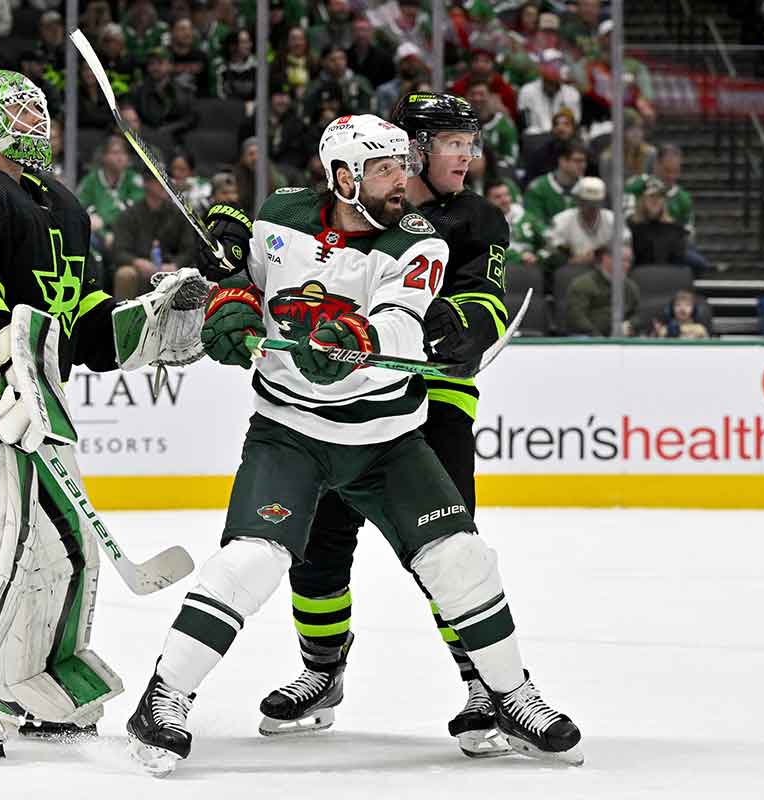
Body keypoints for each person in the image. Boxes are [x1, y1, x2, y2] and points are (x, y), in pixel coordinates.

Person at [128, 113, 581, 776]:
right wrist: (230, 304)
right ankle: (164, 699)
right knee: (252, 561)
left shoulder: (418, 240)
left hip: (386, 439)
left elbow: (402, 324)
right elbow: (246, 283)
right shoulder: (281, 215)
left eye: (403, 163)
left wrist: (360, 343)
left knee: (461, 559)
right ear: (343, 177)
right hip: (290, 432)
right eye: (386, 169)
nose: (403, 181)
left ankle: (511, 695)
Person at [0, 67, 204, 757]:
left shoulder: (65, 208)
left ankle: (37, 680)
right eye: (23, 114)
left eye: (41, 112)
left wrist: (155, 326)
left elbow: (84, 328)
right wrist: (13, 370)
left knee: (56, 553)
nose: (42, 125)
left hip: (34, 402)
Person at [254, 93, 525, 759]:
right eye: (451, 140)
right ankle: (322, 670)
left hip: (433, 403)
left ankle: (486, 686)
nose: (466, 153)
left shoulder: (478, 219)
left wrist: (463, 321)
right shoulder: (354, 206)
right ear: (409, 146)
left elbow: (484, 297)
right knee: (316, 545)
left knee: (445, 550)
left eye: (470, 141)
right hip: (344, 400)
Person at [110, 175, 192, 299]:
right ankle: (124, 316)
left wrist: (175, 265)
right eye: (159, 181)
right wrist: (136, 262)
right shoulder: (130, 215)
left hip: (170, 268)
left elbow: (189, 249)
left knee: (188, 274)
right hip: (139, 268)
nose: (164, 186)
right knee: (125, 274)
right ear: (146, 183)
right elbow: (119, 250)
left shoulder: (179, 214)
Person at [76, 134, 144, 248]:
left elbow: (134, 209)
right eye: (115, 153)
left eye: (124, 153)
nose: (120, 157)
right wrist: (104, 234)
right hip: (99, 236)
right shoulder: (91, 180)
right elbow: (82, 208)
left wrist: (103, 219)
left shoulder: (134, 180)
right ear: (104, 156)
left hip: (129, 233)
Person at [564, 243, 639, 336]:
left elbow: (637, 314)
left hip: (621, 338)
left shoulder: (631, 287)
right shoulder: (582, 284)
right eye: (622, 260)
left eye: (629, 261)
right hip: (590, 338)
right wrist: (600, 339)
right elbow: (576, 318)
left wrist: (629, 325)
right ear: (606, 259)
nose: (627, 265)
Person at [547, 176, 620, 268]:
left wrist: (600, 256)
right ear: (577, 200)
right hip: (570, 269)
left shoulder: (613, 220)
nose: (592, 206)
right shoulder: (561, 220)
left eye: (596, 202)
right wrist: (571, 261)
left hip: (606, 268)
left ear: (603, 202)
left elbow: (625, 250)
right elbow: (551, 253)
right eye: (587, 202)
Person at [523, 137, 586, 225]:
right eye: (577, 161)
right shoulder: (537, 189)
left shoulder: (589, 188)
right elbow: (535, 224)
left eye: (584, 161)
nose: (583, 165)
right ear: (562, 161)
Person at [629, 178, 687, 267]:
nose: (655, 200)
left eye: (659, 196)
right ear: (642, 200)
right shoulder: (631, 228)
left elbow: (680, 261)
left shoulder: (675, 229)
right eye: (651, 196)